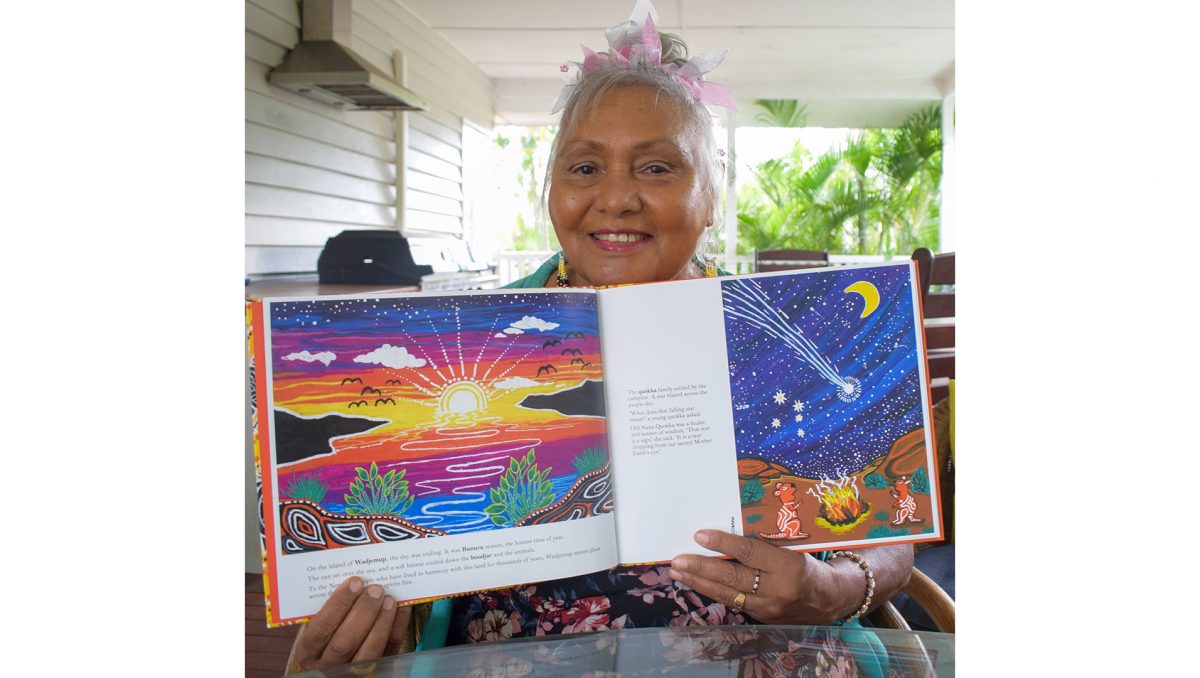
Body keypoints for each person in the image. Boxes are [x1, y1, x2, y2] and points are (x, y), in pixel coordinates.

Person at [285, 5, 914, 674]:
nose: (614, 199)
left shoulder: (788, 333)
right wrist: (361, 626)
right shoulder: (463, 344)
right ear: (551, 186)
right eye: (584, 169)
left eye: (657, 169)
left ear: (712, 196)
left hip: (753, 649)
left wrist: (835, 588)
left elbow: (894, 520)